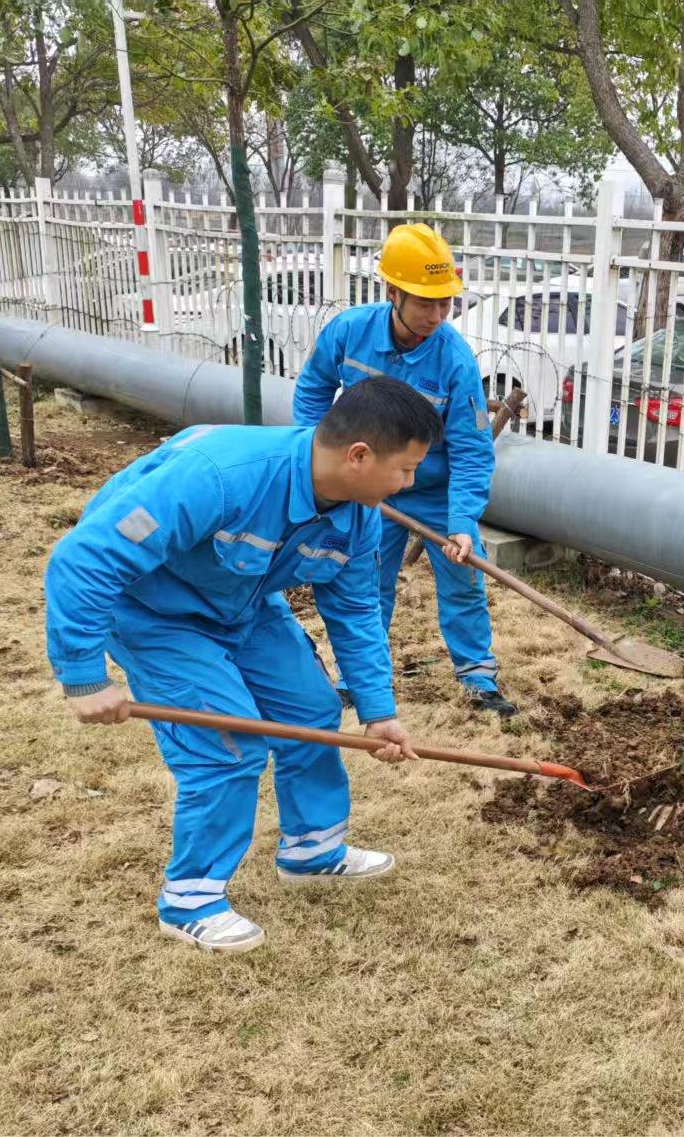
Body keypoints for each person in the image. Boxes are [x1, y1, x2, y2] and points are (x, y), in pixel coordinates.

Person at [44, 378, 438, 954]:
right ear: (358, 456)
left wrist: (378, 710)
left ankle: (312, 849)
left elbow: (354, 611)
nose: (410, 483)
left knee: (311, 709)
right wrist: (82, 673)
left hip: (244, 603)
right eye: (405, 469)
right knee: (229, 743)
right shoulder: (221, 476)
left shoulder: (358, 516)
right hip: (156, 614)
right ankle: (190, 899)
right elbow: (86, 557)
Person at [294, 223, 516, 719]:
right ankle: (358, 677)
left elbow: (472, 449)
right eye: (426, 303)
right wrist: (317, 455)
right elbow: (312, 389)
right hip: (367, 487)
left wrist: (460, 523)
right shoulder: (349, 333)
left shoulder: (454, 360)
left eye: (447, 303)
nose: (439, 315)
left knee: (463, 577)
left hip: (431, 493)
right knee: (367, 580)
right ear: (392, 292)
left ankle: (478, 677)